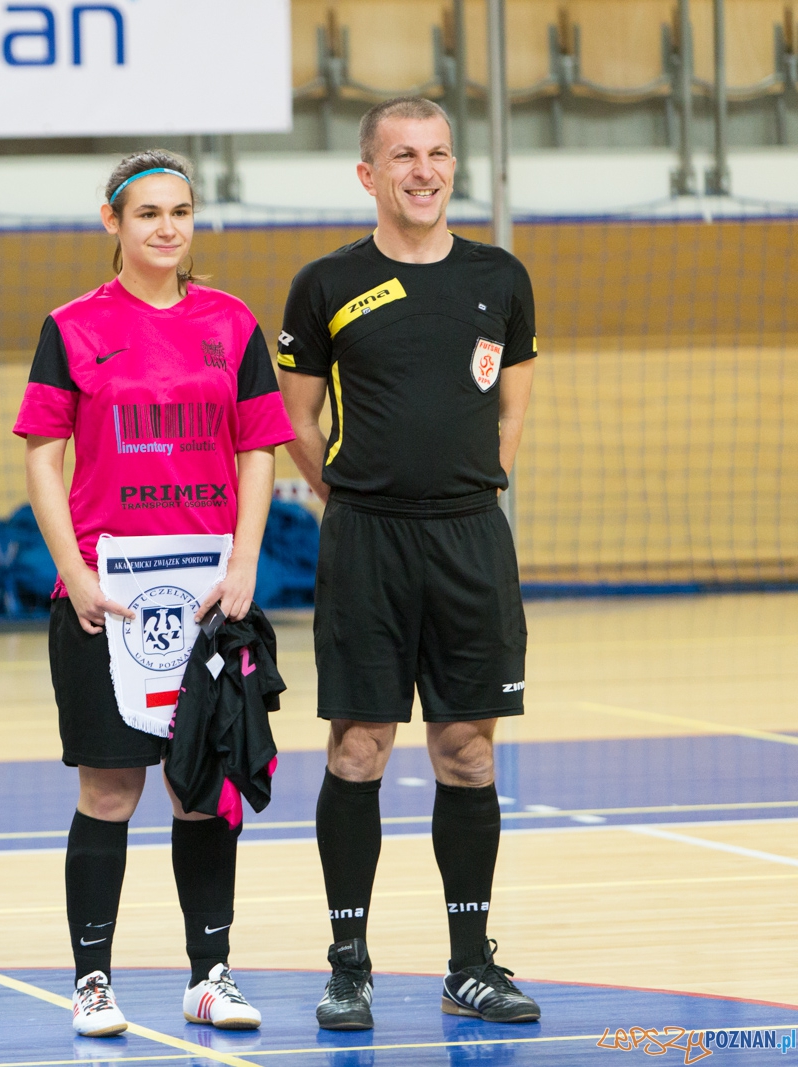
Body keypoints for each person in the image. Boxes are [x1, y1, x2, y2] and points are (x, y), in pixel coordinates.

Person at [15, 149, 296, 1037]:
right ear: (113, 223)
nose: (166, 227)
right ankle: (92, 980)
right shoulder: (72, 327)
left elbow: (259, 448)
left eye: (179, 211)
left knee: (200, 788)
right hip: (109, 594)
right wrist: (76, 570)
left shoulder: (233, 323)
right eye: (147, 214)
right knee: (109, 790)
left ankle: (209, 974)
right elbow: (40, 454)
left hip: (210, 591)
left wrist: (246, 561)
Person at [275, 96, 541, 1031]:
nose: (422, 170)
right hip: (368, 542)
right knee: (359, 748)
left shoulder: (501, 276)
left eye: (436, 154)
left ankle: (470, 962)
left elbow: (511, 408)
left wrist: (474, 486)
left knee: (468, 753)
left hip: (471, 539)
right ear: (368, 174)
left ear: (453, 166)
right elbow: (296, 421)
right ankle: (349, 963)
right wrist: (348, 493)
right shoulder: (326, 282)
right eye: (402, 156)